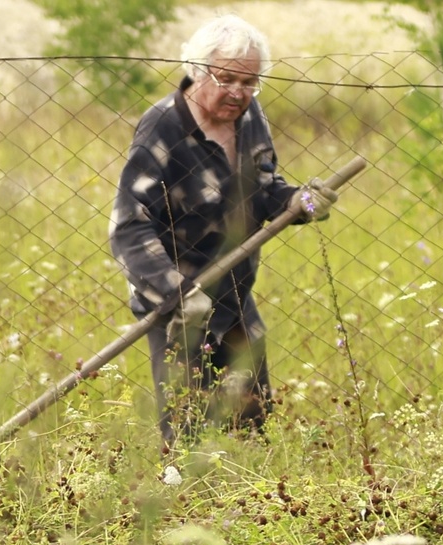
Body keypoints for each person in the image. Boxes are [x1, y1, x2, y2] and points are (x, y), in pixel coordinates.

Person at [109, 14, 337, 450]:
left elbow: (265, 188)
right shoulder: (163, 127)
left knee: (251, 427)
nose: (238, 92)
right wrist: (176, 291)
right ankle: (180, 505)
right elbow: (129, 225)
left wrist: (301, 203)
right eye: (228, 78)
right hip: (180, 304)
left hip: (233, 292)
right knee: (187, 429)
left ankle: (250, 508)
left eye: (250, 82)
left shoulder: (250, 118)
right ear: (198, 70)